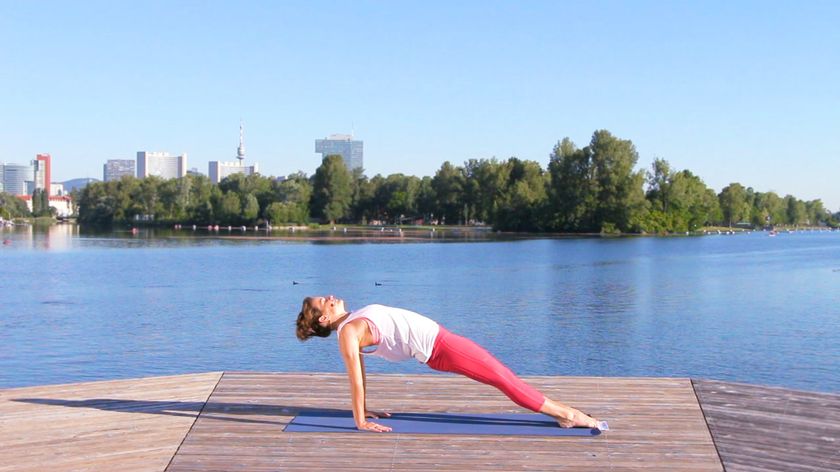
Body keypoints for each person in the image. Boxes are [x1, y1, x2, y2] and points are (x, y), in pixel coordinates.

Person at [296, 295, 601, 433]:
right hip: (441, 348)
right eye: (325, 301)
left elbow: (361, 367)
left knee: (503, 377)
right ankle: (570, 415)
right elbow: (356, 379)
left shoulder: (352, 320)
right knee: (505, 379)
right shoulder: (348, 332)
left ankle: (566, 413)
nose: (331, 297)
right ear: (324, 319)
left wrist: (364, 408)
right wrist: (360, 421)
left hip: (442, 342)